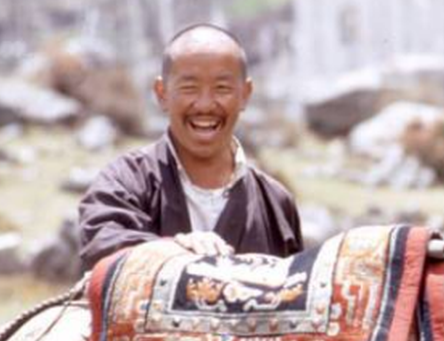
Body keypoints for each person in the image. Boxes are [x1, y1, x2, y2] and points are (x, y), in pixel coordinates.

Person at [78, 23, 303, 270]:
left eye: (222, 88)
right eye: (189, 88)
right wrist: (173, 250)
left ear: (245, 94)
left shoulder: (275, 202)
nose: (205, 104)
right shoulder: (124, 182)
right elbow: (102, 247)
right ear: (162, 93)